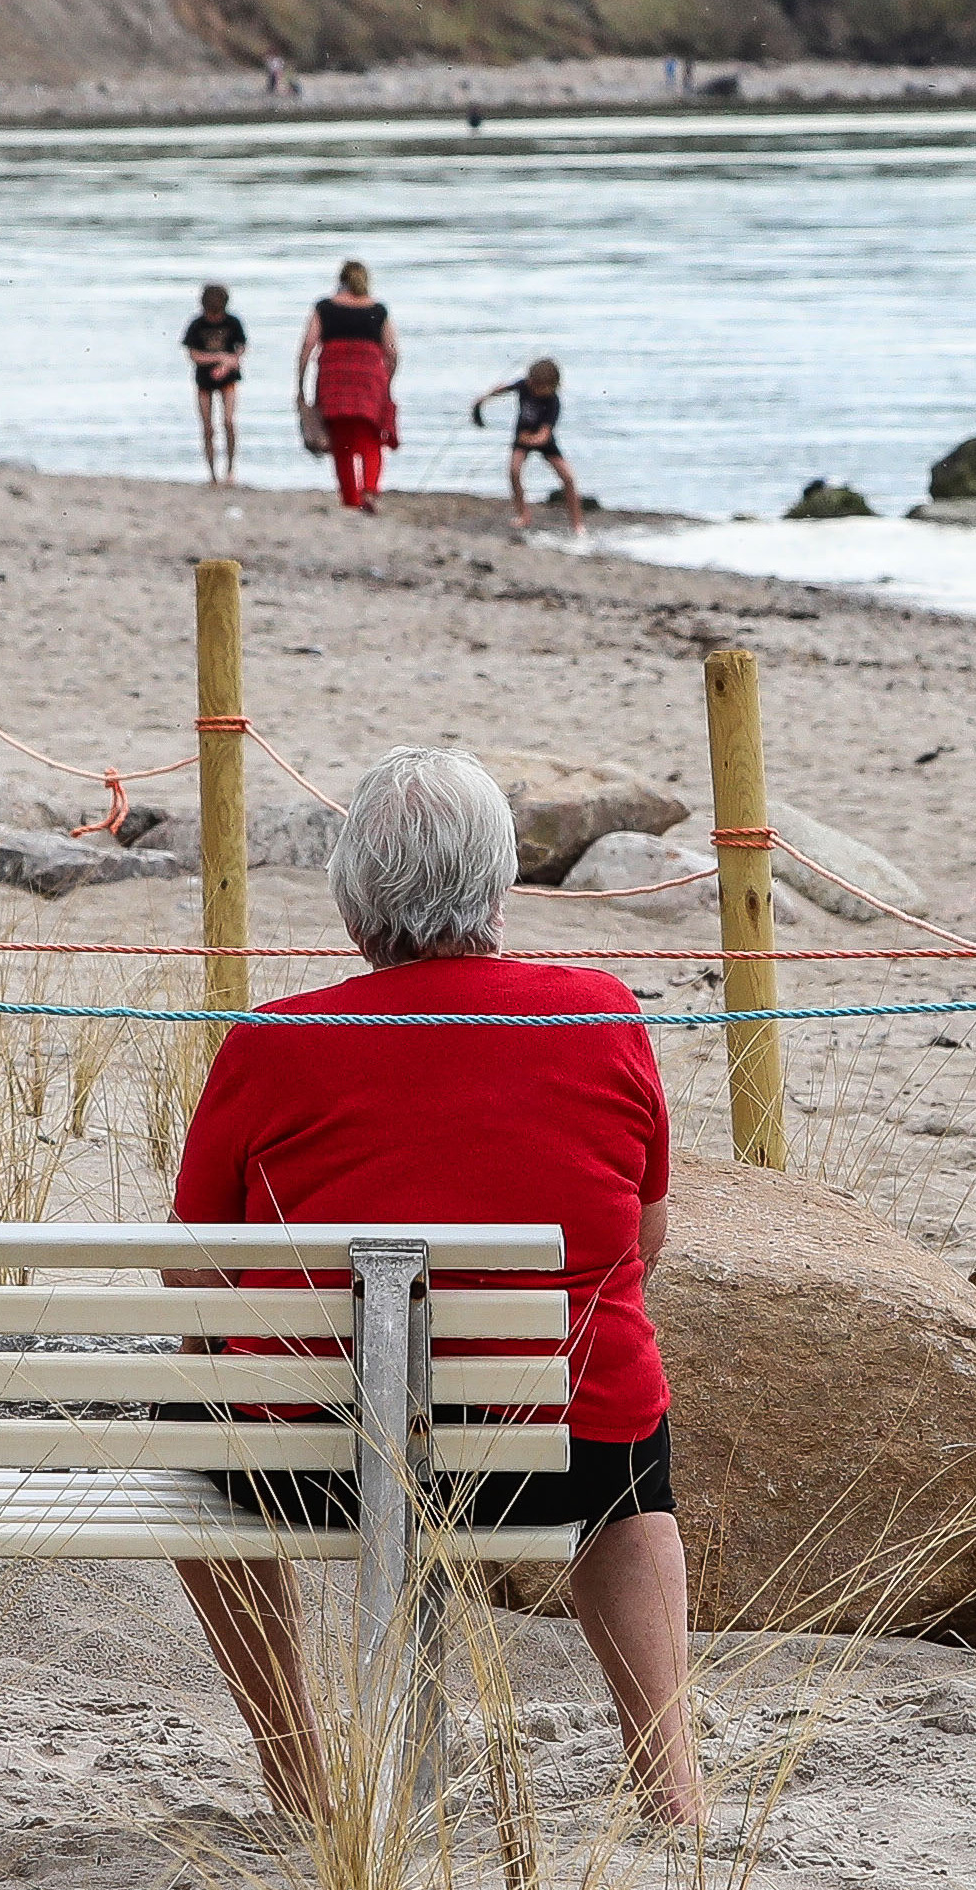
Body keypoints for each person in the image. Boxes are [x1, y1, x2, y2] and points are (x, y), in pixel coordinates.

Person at [169, 747, 701, 1827]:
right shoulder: (597, 1014)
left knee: (193, 1431)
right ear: (499, 888)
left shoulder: (273, 1043)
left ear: (354, 903)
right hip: (557, 1461)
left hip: (317, 1465)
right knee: (630, 1464)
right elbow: (642, 1241)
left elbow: (196, 1272)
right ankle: (674, 1791)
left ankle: (302, 1783)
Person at [295, 260, 397, 512]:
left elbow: (308, 346)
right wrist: (387, 382)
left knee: (341, 442)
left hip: (334, 377)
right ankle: (370, 490)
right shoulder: (378, 310)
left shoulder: (325, 307)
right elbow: (392, 352)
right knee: (371, 438)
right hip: (370, 378)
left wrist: (300, 383)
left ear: (341, 280)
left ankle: (351, 499)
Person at [473, 356, 581, 536]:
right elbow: (505, 388)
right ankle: (523, 514)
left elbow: (544, 435)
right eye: (533, 384)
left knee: (567, 478)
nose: (535, 389)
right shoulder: (525, 385)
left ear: (553, 386)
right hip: (522, 436)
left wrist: (528, 440)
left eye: (540, 387)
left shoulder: (553, 402)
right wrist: (484, 398)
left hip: (542, 441)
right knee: (514, 471)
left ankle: (577, 523)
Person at [181, 282, 249, 485]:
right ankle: (211, 473)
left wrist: (228, 364)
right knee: (207, 427)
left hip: (228, 378)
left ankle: (229, 470)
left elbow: (241, 348)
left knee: (228, 422)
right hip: (204, 379)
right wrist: (219, 358)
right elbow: (193, 354)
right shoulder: (197, 324)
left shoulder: (233, 323)